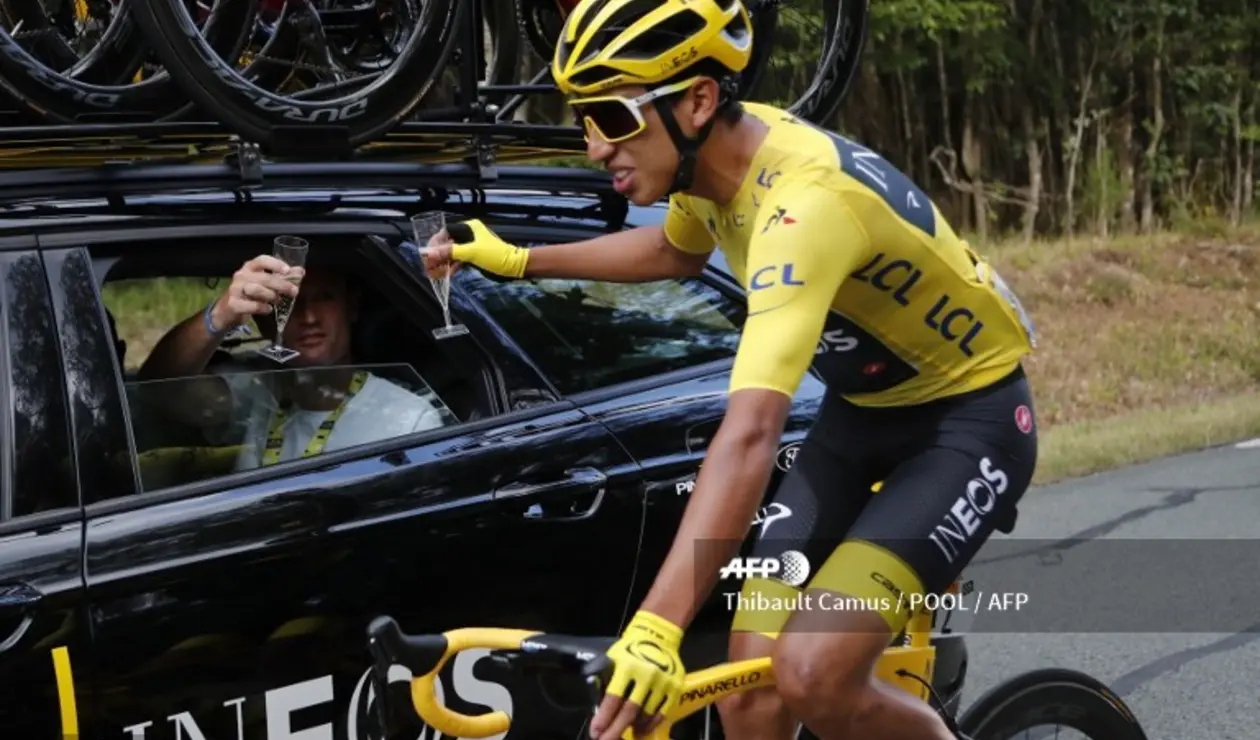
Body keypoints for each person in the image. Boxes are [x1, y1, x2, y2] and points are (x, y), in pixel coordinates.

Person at [422, 1, 1039, 739]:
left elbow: (749, 436)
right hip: (858, 418)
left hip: (964, 425)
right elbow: (675, 252)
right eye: (582, 119)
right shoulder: (708, 165)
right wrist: (522, 260)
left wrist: (656, 628)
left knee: (812, 674)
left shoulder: (802, 210)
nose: (594, 147)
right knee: (749, 692)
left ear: (699, 99)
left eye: (613, 120)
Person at [138, 253, 446, 470]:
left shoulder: (408, 422)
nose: (309, 317)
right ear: (264, 323)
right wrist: (220, 315)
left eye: (324, 298)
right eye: (289, 303)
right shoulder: (257, 388)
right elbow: (161, 388)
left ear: (352, 308)